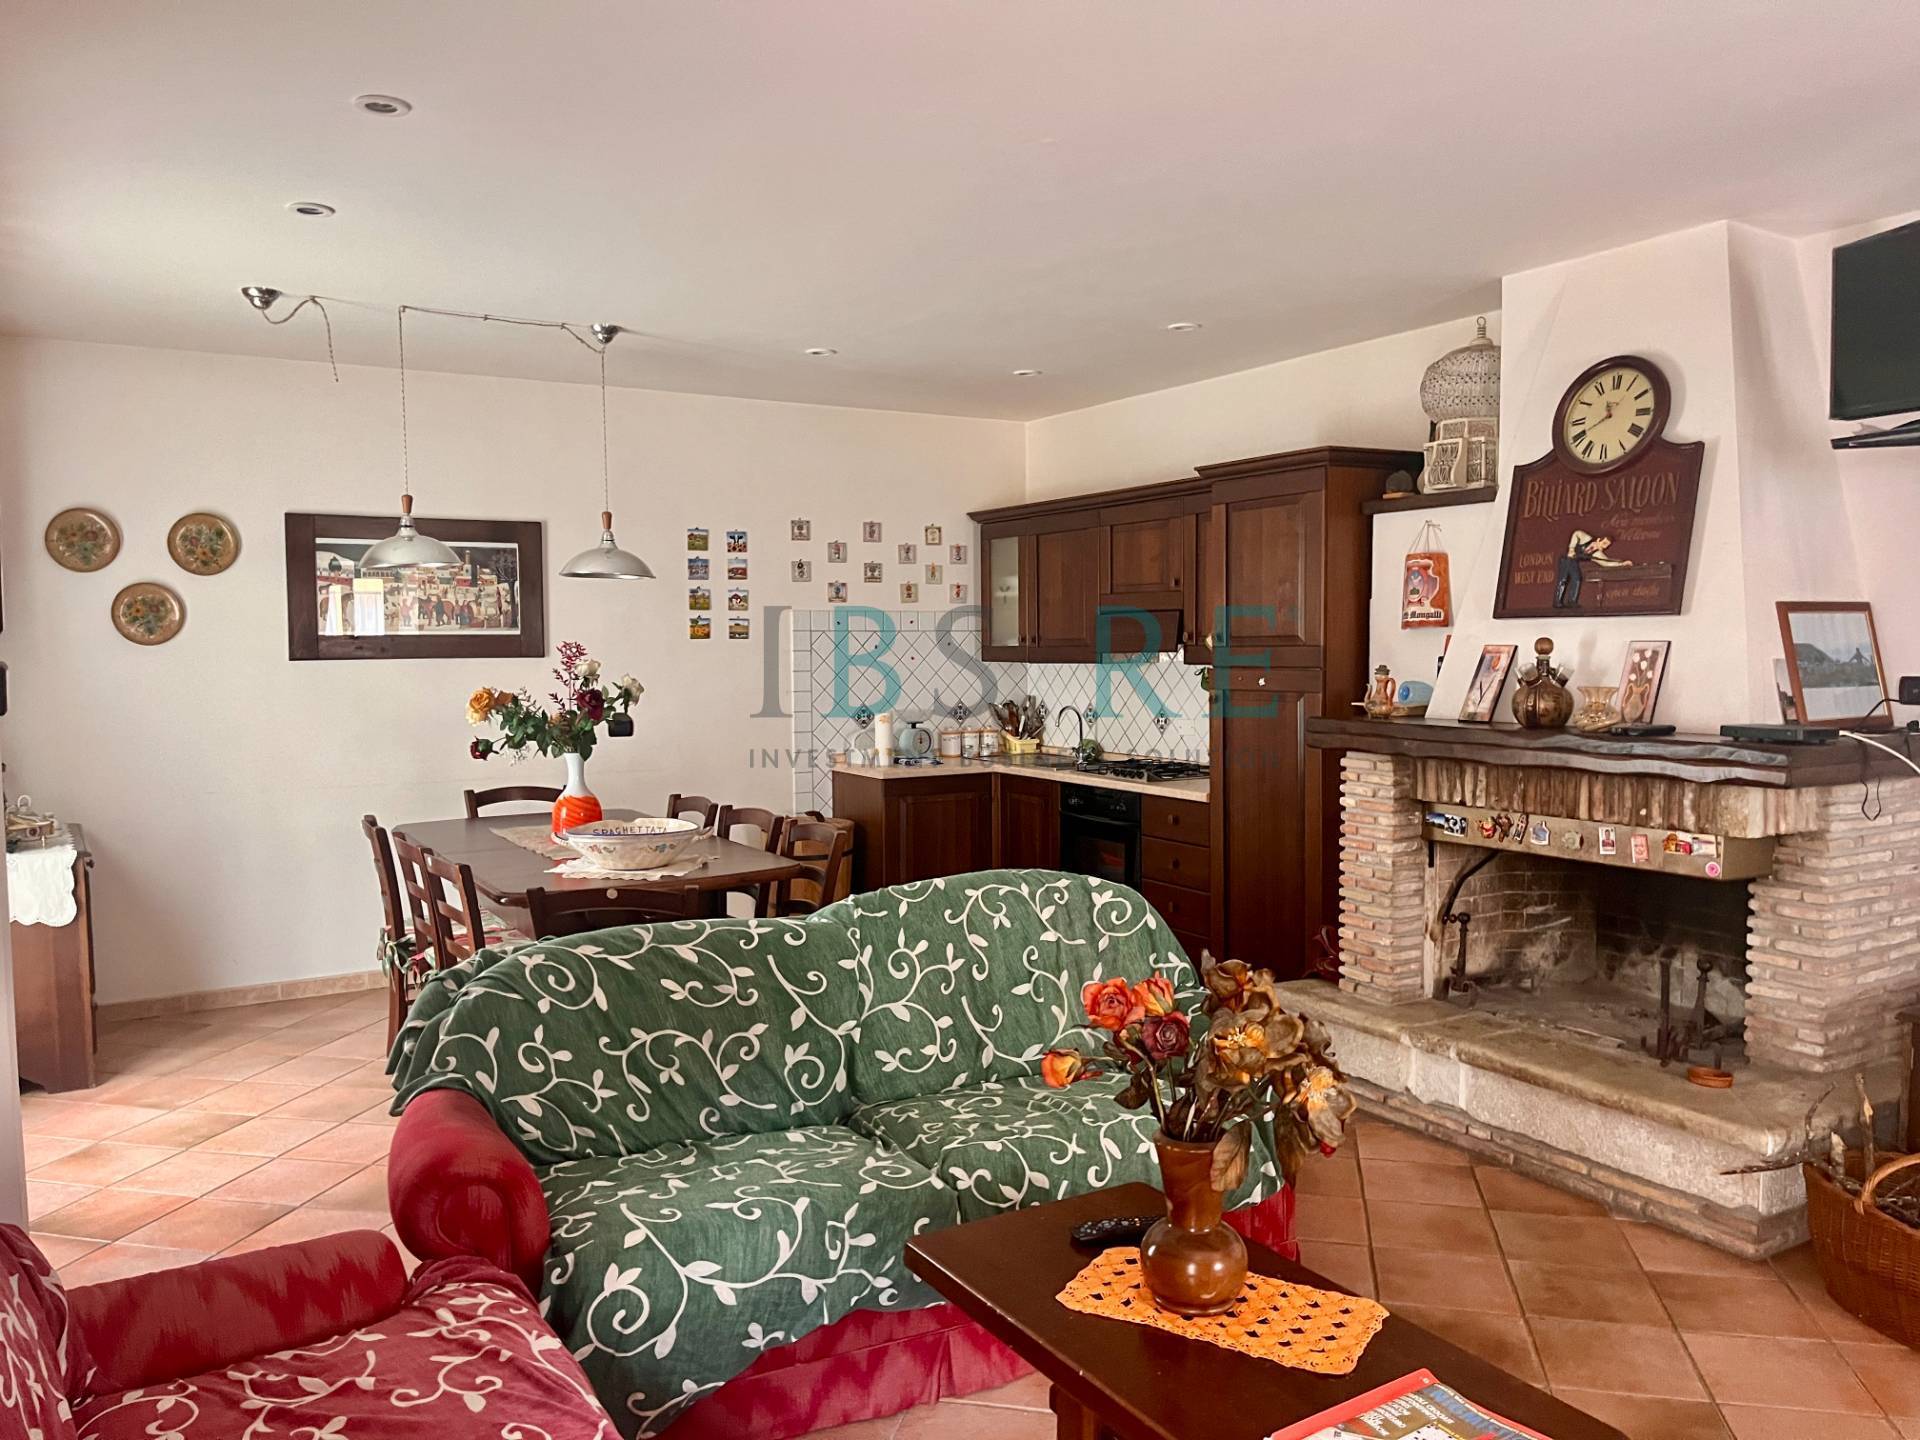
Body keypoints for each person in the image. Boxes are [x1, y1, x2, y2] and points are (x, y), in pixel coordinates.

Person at [1553, 530, 1631, 609]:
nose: (1604, 547)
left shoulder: (1596, 553)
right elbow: (1577, 533)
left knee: (1577, 579)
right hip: (1566, 559)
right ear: (1598, 540)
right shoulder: (1587, 539)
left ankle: (1571, 601)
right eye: (1604, 543)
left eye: (1607, 546)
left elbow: (1606, 563)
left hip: (1573, 562)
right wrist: (1571, 548)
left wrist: (1621, 564)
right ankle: (1557, 601)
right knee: (1563, 579)